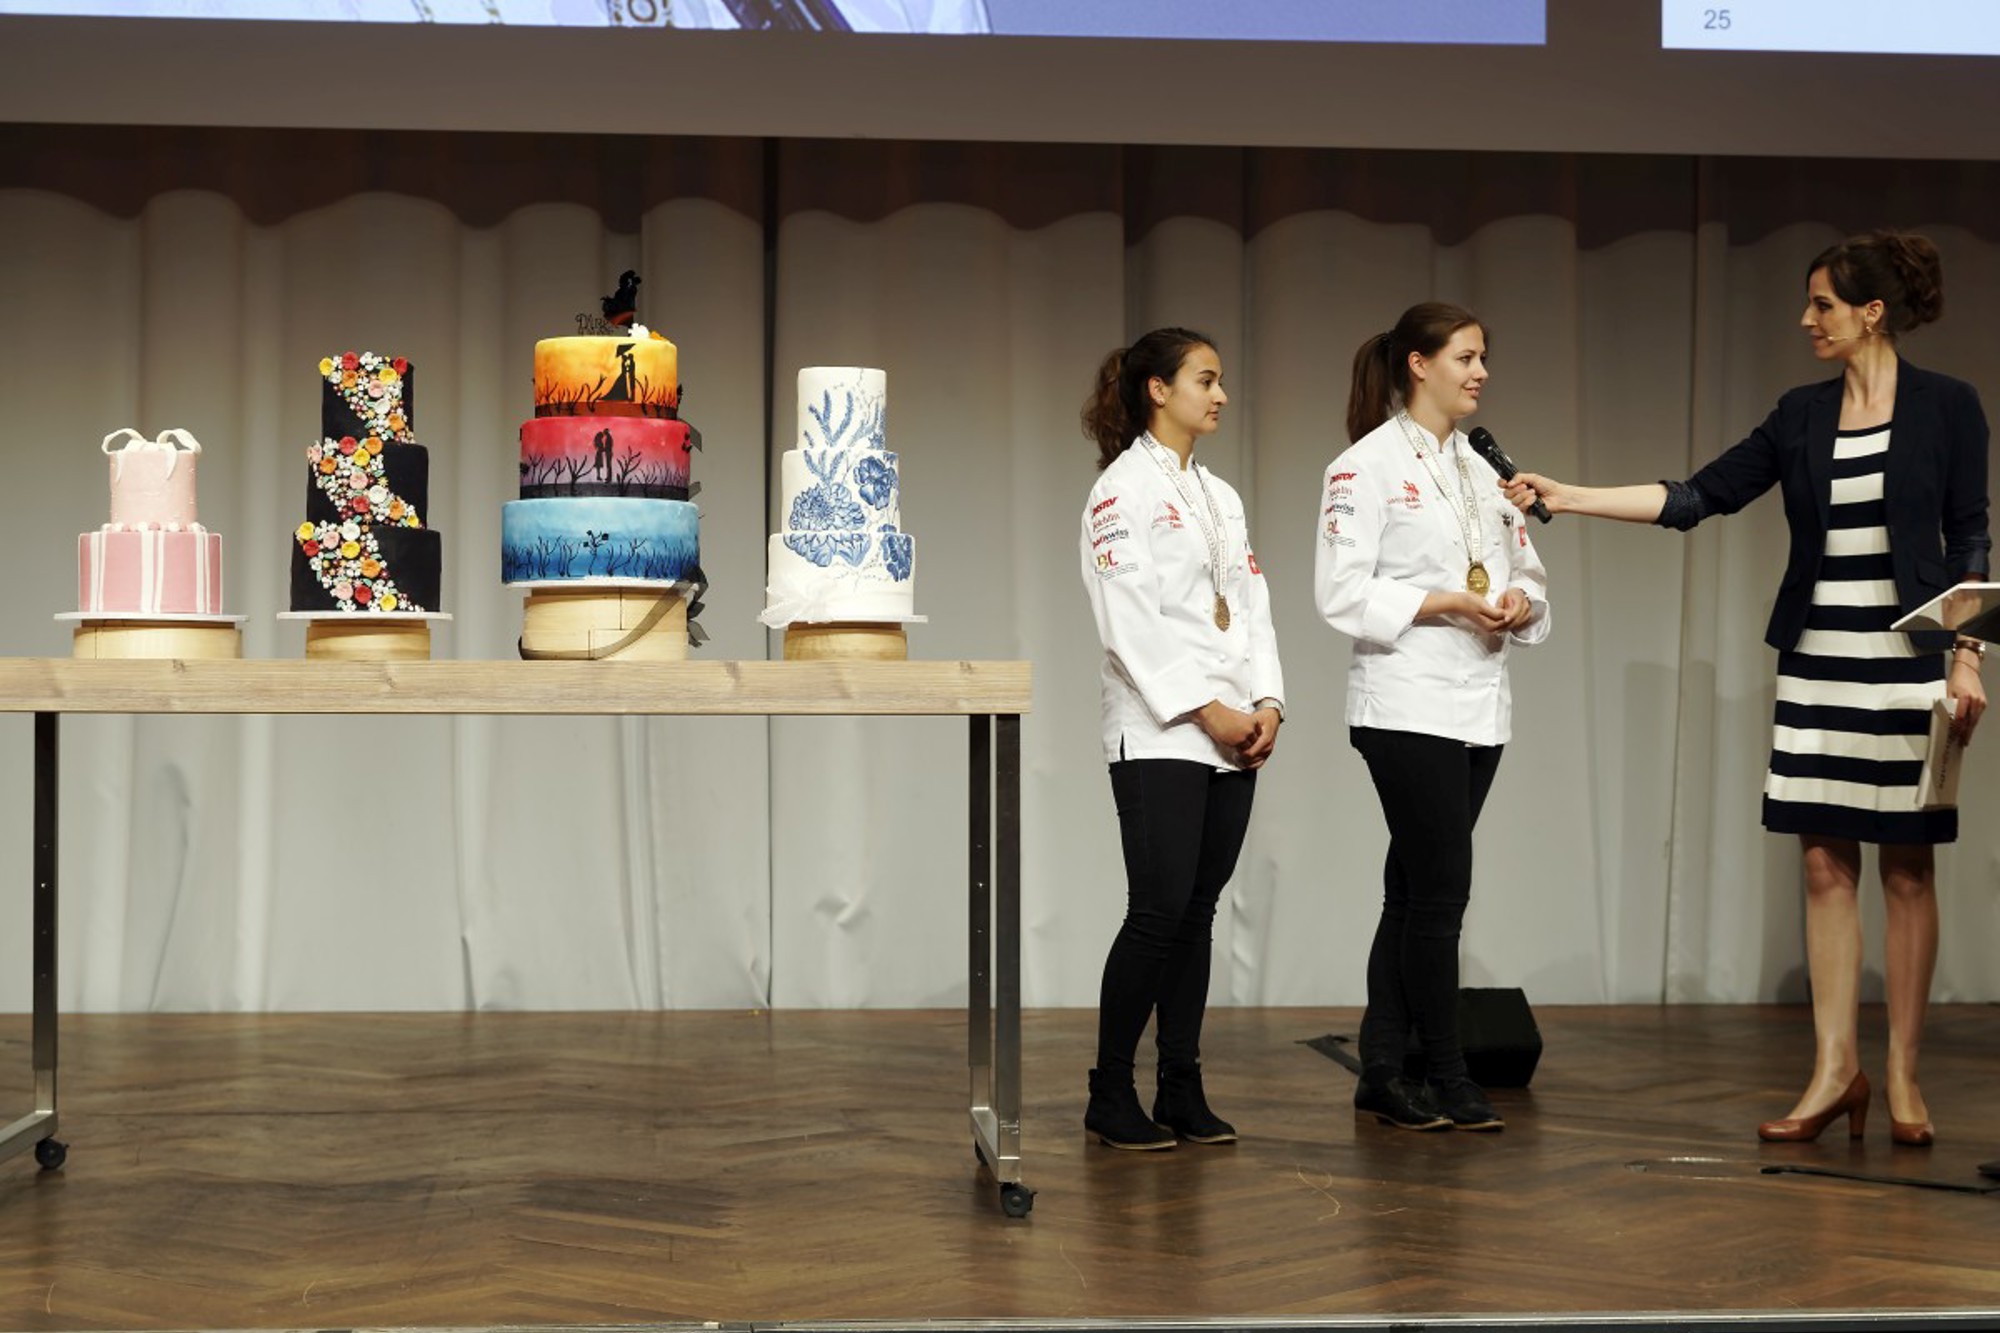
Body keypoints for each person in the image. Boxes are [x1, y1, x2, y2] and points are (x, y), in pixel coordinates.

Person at [1501, 230, 1990, 1145]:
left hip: (1910, 662)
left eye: (1823, 304)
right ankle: (1835, 1069)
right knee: (1823, 862)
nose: (1807, 319)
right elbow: (1699, 496)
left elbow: (1971, 536)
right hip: (1817, 657)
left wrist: (1968, 656)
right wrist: (1568, 495)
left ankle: (1903, 1072)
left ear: (1872, 312)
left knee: (1908, 867)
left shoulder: (1949, 406)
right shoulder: (1801, 414)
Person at [1316, 303, 1550, 1132]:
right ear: (1418, 364)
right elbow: (1341, 592)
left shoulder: (1486, 469)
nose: (1481, 372)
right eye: (1465, 357)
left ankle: (1383, 1068)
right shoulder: (1363, 467)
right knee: (1443, 891)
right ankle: (1446, 1072)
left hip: (1480, 706)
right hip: (1407, 702)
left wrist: (1519, 603)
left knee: (1413, 890)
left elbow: (1529, 575)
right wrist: (1446, 601)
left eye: (1484, 357)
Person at [1077, 327, 1285, 1150]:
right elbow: (1129, 623)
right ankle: (1108, 1091)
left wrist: (1267, 701)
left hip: (1234, 729)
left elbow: (1252, 607)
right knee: (1158, 911)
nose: (1221, 393)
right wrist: (1208, 710)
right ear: (1157, 389)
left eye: (1221, 379)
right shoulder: (1119, 492)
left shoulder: (1221, 496)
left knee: (1198, 912)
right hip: (1162, 729)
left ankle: (1181, 1085)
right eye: (1206, 378)